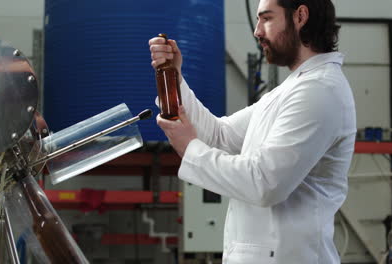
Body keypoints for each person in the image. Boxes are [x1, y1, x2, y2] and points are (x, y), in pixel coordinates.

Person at [149, 0, 356, 262]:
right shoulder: (291, 90)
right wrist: (174, 77)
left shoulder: (319, 91)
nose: (257, 31)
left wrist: (190, 149)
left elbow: (265, 183)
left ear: (300, 16)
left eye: (267, 18)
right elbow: (219, 136)